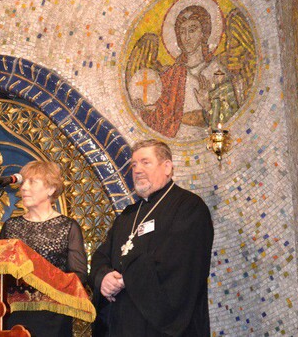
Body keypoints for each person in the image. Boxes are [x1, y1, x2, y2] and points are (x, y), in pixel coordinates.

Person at [88, 139, 214, 336]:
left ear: (167, 167)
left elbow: (179, 265)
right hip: (122, 324)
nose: (137, 170)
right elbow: (101, 256)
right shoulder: (128, 215)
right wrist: (103, 277)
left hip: (162, 327)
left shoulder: (188, 208)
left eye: (145, 162)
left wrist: (126, 278)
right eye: (134, 165)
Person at [0, 160, 87, 337]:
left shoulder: (68, 227)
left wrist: (50, 287)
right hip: (15, 316)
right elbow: (0, 273)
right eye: (23, 182)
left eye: (32, 182)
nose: (24, 188)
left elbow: (79, 275)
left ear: (51, 189)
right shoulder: (10, 226)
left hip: (54, 317)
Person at [136, 5, 238, 137]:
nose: (187, 37)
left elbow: (232, 115)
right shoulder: (172, 73)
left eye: (192, 30)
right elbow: (161, 111)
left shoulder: (217, 71)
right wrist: (143, 108)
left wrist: (207, 105)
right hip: (177, 139)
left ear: (204, 33)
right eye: (183, 32)